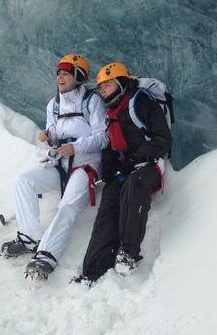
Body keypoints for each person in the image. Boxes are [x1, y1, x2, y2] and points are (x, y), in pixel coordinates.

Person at [0, 54, 108, 279]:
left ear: (78, 76)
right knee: (23, 181)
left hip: (85, 166)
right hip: (60, 164)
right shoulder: (54, 104)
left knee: (68, 205)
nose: (60, 76)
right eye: (59, 72)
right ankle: (30, 237)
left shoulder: (92, 101)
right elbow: (55, 135)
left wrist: (76, 147)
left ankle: (47, 255)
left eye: (66, 72)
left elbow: (103, 137)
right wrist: (48, 137)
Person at [74, 62, 172, 283]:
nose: (102, 90)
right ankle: (92, 270)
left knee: (135, 185)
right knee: (108, 205)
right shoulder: (111, 111)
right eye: (100, 87)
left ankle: (128, 253)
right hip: (126, 166)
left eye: (106, 85)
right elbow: (111, 145)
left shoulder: (141, 101)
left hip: (149, 164)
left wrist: (135, 158)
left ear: (119, 83)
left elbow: (163, 140)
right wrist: (110, 170)